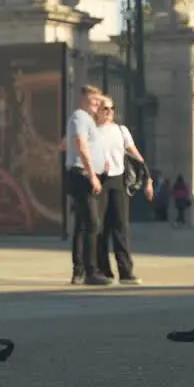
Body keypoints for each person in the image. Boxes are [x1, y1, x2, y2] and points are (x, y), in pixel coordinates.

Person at [92, 96, 151, 285]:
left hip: (118, 179)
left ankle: (126, 272)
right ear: (97, 111)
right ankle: (103, 270)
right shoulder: (92, 132)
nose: (109, 112)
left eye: (112, 108)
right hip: (99, 180)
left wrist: (148, 177)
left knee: (121, 226)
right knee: (100, 227)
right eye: (105, 108)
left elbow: (135, 154)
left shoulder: (121, 130)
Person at [63, 85, 108, 286]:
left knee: (82, 224)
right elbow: (80, 144)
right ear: (83, 98)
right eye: (93, 100)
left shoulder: (84, 119)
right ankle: (91, 271)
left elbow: (65, 144)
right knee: (92, 223)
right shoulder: (80, 117)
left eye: (98, 101)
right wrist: (92, 174)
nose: (97, 104)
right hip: (83, 175)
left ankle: (79, 270)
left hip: (82, 174)